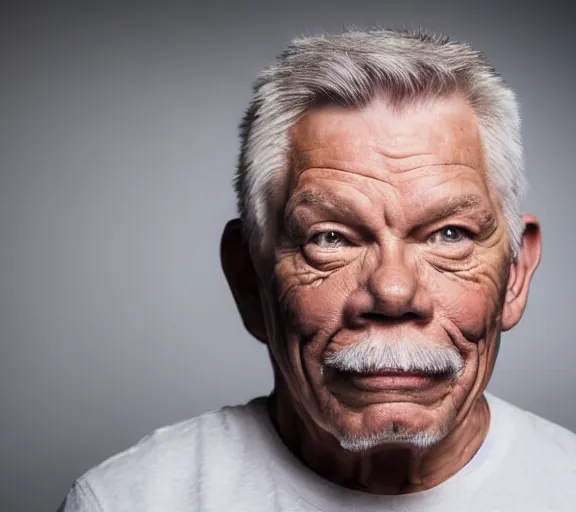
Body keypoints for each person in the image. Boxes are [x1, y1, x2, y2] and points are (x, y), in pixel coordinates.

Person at [59, 28, 576, 511]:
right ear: (248, 280)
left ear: (515, 272)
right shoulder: (127, 501)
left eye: (449, 235)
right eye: (330, 238)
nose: (394, 293)